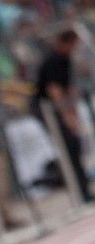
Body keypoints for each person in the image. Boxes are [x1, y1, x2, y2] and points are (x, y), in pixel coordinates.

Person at [34, 27, 93, 203]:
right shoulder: (53, 60)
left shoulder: (65, 59)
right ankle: (79, 192)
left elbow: (69, 88)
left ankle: (84, 189)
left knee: (75, 148)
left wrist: (73, 113)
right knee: (68, 150)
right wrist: (67, 117)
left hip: (62, 110)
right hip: (52, 113)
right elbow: (55, 92)